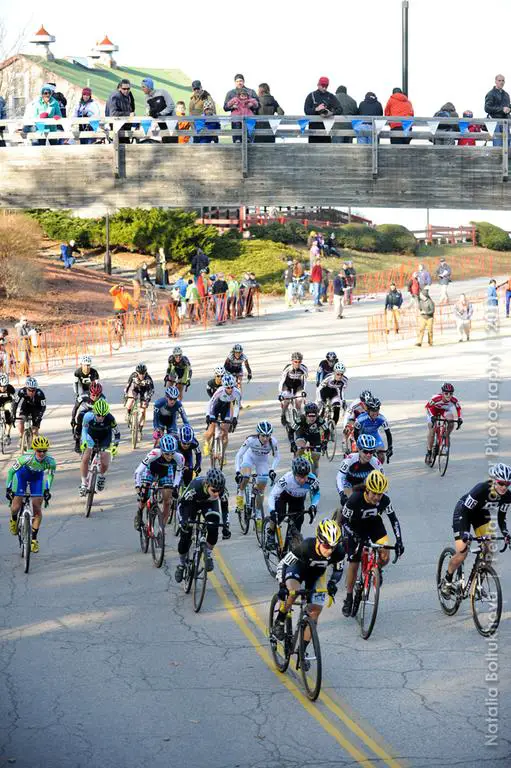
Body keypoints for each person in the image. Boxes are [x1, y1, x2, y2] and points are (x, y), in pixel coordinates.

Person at [439, 464, 511, 598]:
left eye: (507, 484)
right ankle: (447, 580)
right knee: (463, 551)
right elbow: (465, 510)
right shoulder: (481, 489)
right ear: (494, 480)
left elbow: (502, 518)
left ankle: (478, 585)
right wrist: (465, 533)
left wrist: (506, 534)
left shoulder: (507, 496)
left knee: (489, 548)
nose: (504, 487)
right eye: (501, 483)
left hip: (480, 515)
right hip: (463, 512)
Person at [271, 519, 345, 650]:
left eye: (333, 546)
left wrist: (333, 582)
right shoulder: (306, 546)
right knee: (293, 592)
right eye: (327, 546)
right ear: (319, 540)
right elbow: (283, 563)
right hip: (297, 570)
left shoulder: (338, 552)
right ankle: (280, 620)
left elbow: (338, 570)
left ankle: (302, 651)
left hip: (316, 576)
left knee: (315, 612)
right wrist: (282, 585)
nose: (330, 550)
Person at [340, 470, 404, 617]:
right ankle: (349, 597)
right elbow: (343, 521)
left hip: (374, 526)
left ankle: (376, 569)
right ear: (367, 490)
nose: (376, 497)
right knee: (354, 564)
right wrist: (354, 536)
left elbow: (394, 520)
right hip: (355, 529)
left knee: (385, 555)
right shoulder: (355, 499)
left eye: (379, 494)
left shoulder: (385, 500)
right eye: (373, 493)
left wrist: (400, 541)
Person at [174, 468, 231, 580]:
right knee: (185, 534)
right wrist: (183, 521)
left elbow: (225, 510)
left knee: (214, 527)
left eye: (219, 490)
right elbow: (181, 506)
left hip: (209, 505)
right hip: (191, 504)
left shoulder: (221, 492)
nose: (217, 493)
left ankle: (208, 554)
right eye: (214, 490)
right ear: (206, 484)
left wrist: (226, 526)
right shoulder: (195, 487)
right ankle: (181, 564)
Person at [6, 435, 56, 553]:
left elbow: (50, 475)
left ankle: (33, 540)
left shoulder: (50, 461)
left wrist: (47, 489)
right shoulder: (25, 458)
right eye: (39, 450)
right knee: (16, 506)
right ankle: (13, 519)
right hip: (22, 476)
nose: (42, 453)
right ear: (34, 450)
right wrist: (8, 488)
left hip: (37, 479)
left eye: (44, 451)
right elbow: (11, 471)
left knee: (37, 508)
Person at [266, 456, 320, 550]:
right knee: (279, 515)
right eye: (299, 476)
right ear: (294, 474)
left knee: (298, 521)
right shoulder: (287, 479)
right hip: (284, 496)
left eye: (305, 476)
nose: (303, 480)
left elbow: (316, 494)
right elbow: (272, 495)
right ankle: (270, 533)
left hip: (298, 499)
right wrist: (272, 511)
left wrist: (313, 506)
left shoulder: (312, 480)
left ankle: (293, 546)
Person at [134, 434, 184, 529]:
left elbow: (179, 473)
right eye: (167, 454)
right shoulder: (154, 453)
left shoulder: (179, 457)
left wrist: (175, 486)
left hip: (165, 471)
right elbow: (138, 471)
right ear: (161, 450)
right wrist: (138, 486)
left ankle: (162, 528)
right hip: (151, 469)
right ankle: (139, 512)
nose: (170, 456)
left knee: (168, 499)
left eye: (172, 453)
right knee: (144, 495)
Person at [235, 420, 279, 518]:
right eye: (263, 435)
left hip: (262, 461)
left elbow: (277, 457)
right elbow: (239, 455)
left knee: (262, 488)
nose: (265, 438)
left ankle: (258, 511)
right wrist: (237, 471)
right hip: (249, 458)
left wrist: (272, 469)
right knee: (246, 477)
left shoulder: (273, 442)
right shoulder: (251, 440)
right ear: (258, 434)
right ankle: (241, 493)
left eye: (268, 436)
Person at [80, 400, 120, 495]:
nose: (101, 417)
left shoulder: (110, 418)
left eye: (103, 415)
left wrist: (115, 446)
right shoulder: (88, 416)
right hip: (90, 436)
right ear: (94, 412)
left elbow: (117, 434)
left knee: (105, 461)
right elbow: (84, 430)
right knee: (86, 457)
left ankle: (101, 475)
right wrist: (84, 441)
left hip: (105, 438)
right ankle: (83, 483)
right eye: (98, 415)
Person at [335, 434, 382, 511]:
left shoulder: (376, 462)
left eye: (371, 451)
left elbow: (381, 483)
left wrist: (382, 500)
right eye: (365, 451)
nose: (369, 455)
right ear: (359, 450)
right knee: (349, 505)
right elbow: (339, 477)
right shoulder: (350, 459)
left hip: (364, 484)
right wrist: (342, 494)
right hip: (349, 483)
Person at [203, 373, 241, 457]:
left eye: (232, 387)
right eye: (228, 387)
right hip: (216, 406)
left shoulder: (237, 392)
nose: (230, 389)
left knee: (225, 432)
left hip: (226, 408)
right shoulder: (220, 391)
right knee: (211, 429)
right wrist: (208, 415)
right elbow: (210, 403)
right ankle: (206, 443)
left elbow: (237, 406)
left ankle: (223, 453)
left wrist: (234, 418)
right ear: (224, 386)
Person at [424, 383, 462, 464]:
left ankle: (446, 435)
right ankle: (429, 452)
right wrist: (431, 417)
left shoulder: (454, 399)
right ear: (442, 393)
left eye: (451, 393)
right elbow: (427, 407)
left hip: (444, 410)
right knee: (432, 430)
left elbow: (458, 409)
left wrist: (459, 418)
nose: (449, 395)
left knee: (451, 422)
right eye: (446, 393)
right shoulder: (436, 398)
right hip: (433, 410)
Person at [289, 402, 329, 475]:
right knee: (300, 449)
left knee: (316, 458)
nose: (312, 418)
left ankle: (314, 478)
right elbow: (291, 432)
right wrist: (292, 443)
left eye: (314, 416)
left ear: (317, 415)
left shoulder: (320, 420)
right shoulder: (300, 419)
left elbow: (327, 431)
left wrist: (325, 443)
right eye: (309, 416)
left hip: (314, 436)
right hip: (302, 434)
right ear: (305, 415)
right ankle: (295, 467)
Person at [353, 396, 393, 463]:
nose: (375, 413)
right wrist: (358, 444)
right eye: (372, 411)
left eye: (376, 411)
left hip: (375, 437)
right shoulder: (361, 419)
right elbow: (356, 432)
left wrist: (390, 447)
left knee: (381, 457)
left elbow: (388, 433)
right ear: (368, 411)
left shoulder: (382, 419)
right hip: (362, 437)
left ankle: (378, 471)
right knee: (358, 456)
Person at [304, 77, 342, 144]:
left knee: (326, 151)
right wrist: (316, 109)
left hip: (326, 129)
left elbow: (340, 109)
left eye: (326, 86)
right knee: (313, 151)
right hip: (313, 130)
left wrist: (331, 113)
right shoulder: (311, 95)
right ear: (318, 84)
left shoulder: (330, 96)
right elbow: (306, 110)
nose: (324, 88)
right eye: (323, 86)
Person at [223, 74, 259, 144]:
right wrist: (232, 106)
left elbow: (258, 104)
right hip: (236, 120)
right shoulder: (230, 93)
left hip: (248, 119)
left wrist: (252, 105)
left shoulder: (251, 92)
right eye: (237, 81)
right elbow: (225, 107)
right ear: (235, 82)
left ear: (244, 81)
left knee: (249, 143)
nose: (239, 83)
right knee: (237, 143)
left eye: (241, 81)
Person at [72, 381, 105, 453]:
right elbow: (75, 407)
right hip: (85, 410)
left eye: (97, 395)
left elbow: (105, 411)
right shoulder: (83, 396)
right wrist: (73, 419)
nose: (95, 397)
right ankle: (77, 441)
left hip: (96, 412)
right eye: (93, 395)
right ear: (90, 392)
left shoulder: (103, 398)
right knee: (80, 417)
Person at [141, 77, 176, 143]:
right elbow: (148, 111)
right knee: (165, 145)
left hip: (171, 123)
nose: (142, 88)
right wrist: (150, 114)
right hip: (162, 124)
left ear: (149, 87)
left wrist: (160, 114)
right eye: (141, 86)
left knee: (173, 145)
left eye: (143, 86)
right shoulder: (146, 98)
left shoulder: (162, 92)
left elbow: (171, 106)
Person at [279, 352, 308, 427]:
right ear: (292, 361)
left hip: (298, 386)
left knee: (299, 402)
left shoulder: (304, 368)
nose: (297, 364)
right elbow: (282, 381)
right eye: (295, 362)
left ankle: (299, 418)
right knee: (287, 400)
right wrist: (280, 393)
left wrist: (304, 391)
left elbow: (305, 381)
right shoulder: (287, 368)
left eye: (299, 362)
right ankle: (283, 415)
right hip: (287, 385)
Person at [13, 377, 46, 443]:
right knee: (21, 421)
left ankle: (34, 445)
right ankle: (21, 437)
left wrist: (39, 416)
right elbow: (15, 403)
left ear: (36, 389)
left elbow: (43, 406)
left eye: (33, 390)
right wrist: (13, 414)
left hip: (37, 408)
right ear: (26, 388)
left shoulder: (40, 393)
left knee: (35, 430)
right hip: (26, 406)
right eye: (29, 390)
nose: (31, 392)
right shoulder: (22, 391)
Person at [124, 363, 154, 433]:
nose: (141, 375)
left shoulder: (148, 378)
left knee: (143, 410)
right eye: (140, 373)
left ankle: (140, 429)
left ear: (145, 372)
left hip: (144, 391)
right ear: (137, 372)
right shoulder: (133, 375)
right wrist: (126, 394)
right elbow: (128, 385)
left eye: (143, 373)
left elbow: (152, 390)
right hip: (135, 389)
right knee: (130, 402)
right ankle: (128, 414)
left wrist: (148, 398)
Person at [484, 74, 510, 147]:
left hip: (506, 122)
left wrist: (509, 109)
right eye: (499, 80)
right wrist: (502, 109)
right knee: (497, 144)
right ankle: (497, 158)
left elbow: (507, 108)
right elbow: (487, 108)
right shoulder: (491, 94)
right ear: (495, 81)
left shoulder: (506, 95)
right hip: (495, 122)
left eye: (503, 80)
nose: (501, 82)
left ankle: (507, 158)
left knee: (507, 143)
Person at [0, 373, 15, 444]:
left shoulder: (10, 388)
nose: (3, 388)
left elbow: (14, 399)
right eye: (1, 386)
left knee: (8, 413)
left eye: (5, 386)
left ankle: (7, 434)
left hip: (7, 402)